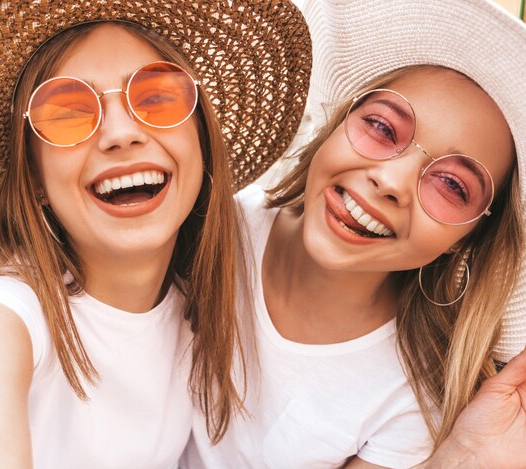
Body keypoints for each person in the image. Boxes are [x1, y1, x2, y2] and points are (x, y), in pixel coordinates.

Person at [0, 1, 312, 468]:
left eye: (158, 96)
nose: (121, 133)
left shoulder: (212, 273)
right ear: (34, 177)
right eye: (65, 112)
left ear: (202, 139)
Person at [183, 0, 526, 467]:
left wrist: (462, 458)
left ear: (467, 237)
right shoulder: (206, 231)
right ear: (339, 120)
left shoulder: (410, 399)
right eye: (382, 127)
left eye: (452, 185)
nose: (390, 182)